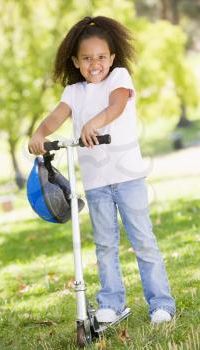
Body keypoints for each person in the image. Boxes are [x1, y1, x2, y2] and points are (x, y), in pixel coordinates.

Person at [28, 16, 175, 324]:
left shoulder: (119, 78)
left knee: (143, 241)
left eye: (100, 57)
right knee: (105, 244)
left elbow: (116, 106)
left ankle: (161, 304)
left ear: (111, 58)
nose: (94, 63)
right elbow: (55, 118)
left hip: (128, 179)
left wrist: (93, 123)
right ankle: (111, 301)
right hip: (96, 183)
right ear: (76, 62)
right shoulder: (73, 93)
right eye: (86, 58)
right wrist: (40, 133)